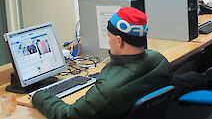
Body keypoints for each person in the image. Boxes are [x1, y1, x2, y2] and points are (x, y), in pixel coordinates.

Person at [32, 7, 172, 119]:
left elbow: (67, 115)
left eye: (109, 37)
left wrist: (39, 96)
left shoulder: (108, 89)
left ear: (118, 40)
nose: (109, 41)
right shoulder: (160, 61)